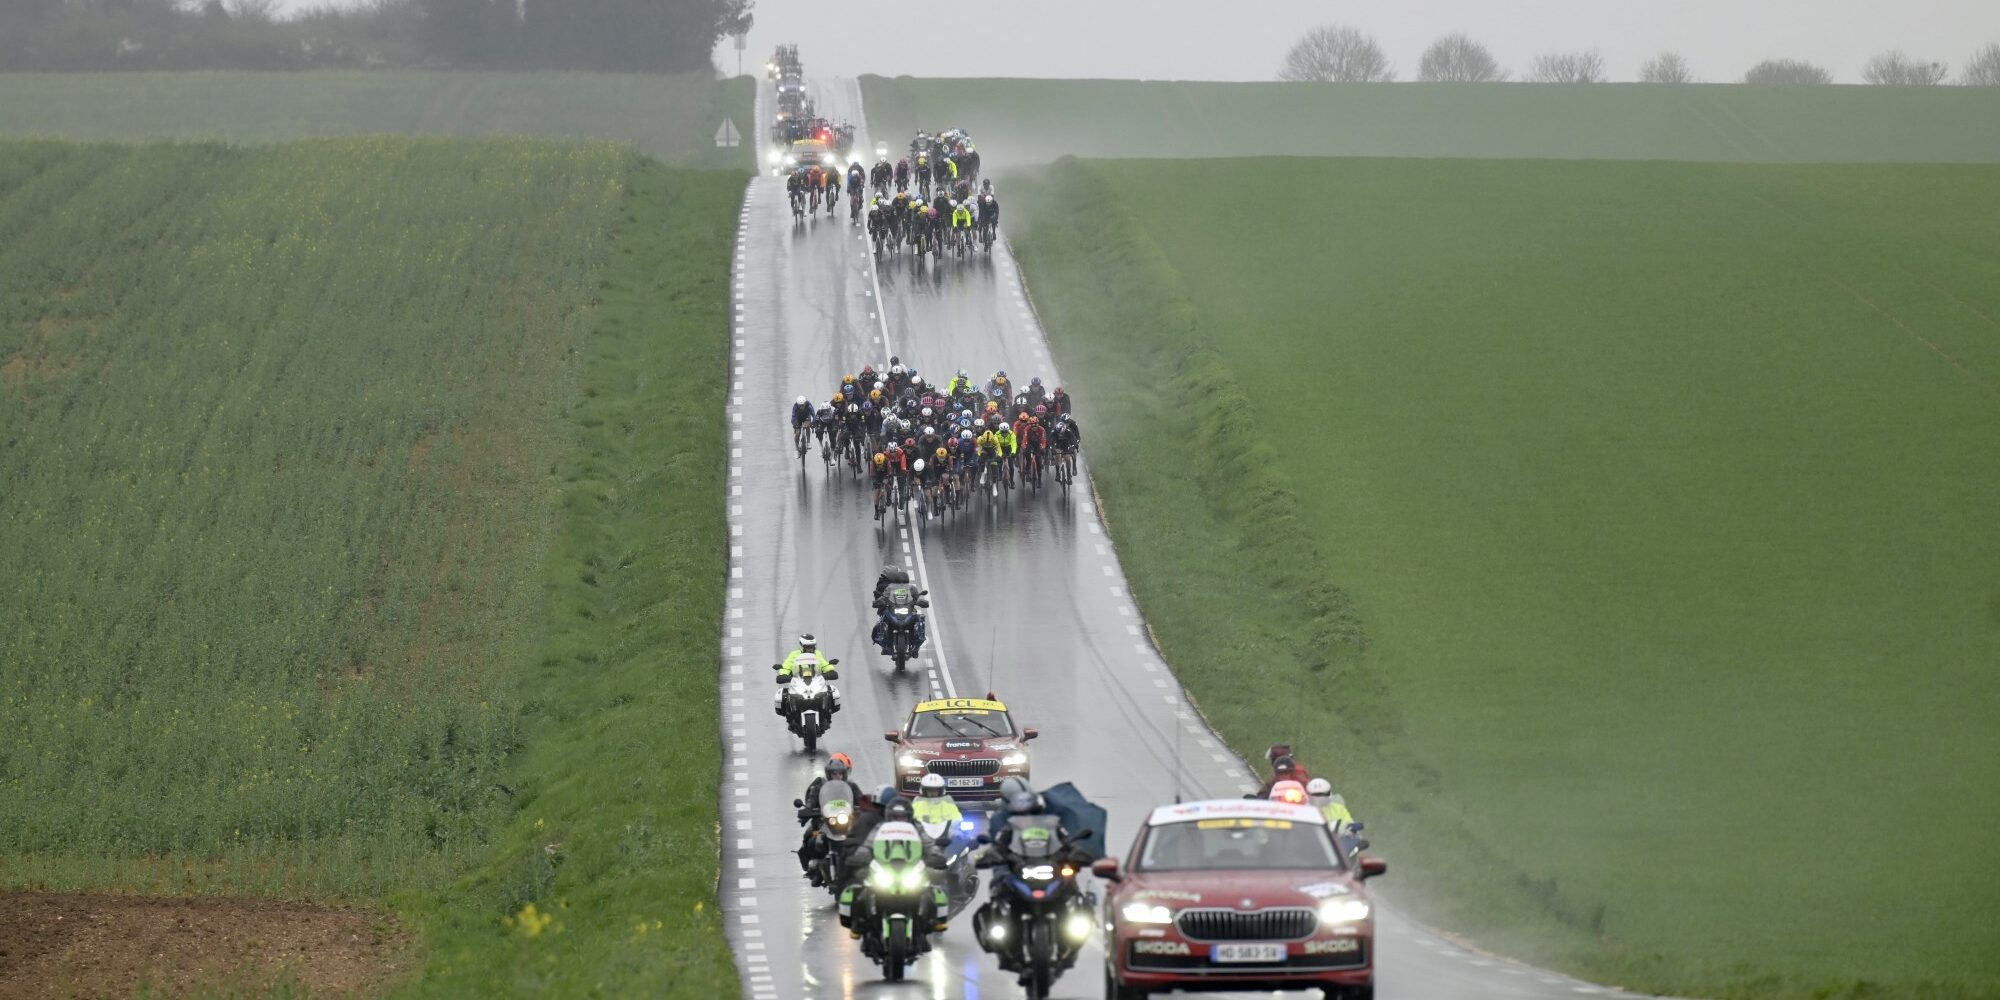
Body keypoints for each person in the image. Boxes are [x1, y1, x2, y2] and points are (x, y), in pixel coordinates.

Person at [797, 753, 857, 883]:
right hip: (824, 822)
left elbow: (861, 801)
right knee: (810, 836)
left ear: (844, 774)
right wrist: (807, 811)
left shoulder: (851, 786)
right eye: (834, 774)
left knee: (862, 836)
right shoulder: (819, 786)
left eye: (840, 774)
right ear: (829, 774)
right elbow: (811, 801)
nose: (837, 776)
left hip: (846, 821)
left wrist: (865, 809)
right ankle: (813, 868)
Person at [910, 773, 964, 845]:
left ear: (941, 791)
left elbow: (957, 817)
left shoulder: (948, 805)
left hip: (944, 835)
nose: (933, 793)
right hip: (923, 835)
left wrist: (953, 825)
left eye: (935, 790)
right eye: (930, 790)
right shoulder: (917, 804)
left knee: (959, 836)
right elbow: (911, 818)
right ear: (924, 791)